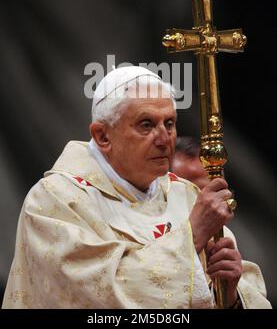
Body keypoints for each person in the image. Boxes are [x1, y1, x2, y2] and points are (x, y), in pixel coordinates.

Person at [2, 66, 271, 309]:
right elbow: (96, 298)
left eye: (169, 123)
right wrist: (192, 237)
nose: (165, 139)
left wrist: (232, 297)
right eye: (146, 124)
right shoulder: (55, 201)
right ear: (103, 136)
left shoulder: (185, 195)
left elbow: (247, 293)